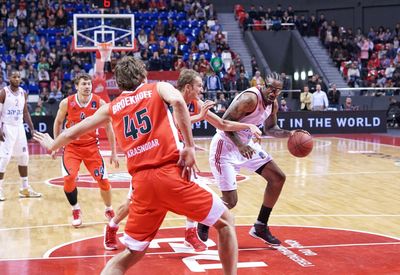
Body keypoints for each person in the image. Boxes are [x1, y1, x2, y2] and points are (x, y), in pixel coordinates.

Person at [34, 56, 238, 275]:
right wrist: (188, 145)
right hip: (169, 174)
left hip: (142, 184)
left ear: (119, 83)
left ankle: (123, 231)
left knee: (130, 254)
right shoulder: (157, 88)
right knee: (225, 222)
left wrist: (52, 144)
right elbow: (178, 102)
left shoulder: (111, 108)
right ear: (142, 74)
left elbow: (74, 130)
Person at [103, 68, 261, 252]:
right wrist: (199, 118)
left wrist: (248, 125)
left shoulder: (196, 102)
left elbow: (222, 124)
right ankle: (112, 225)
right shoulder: (168, 97)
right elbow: (176, 122)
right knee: (131, 203)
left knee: (193, 185)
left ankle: (190, 233)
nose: (202, 89)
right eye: (199, 86)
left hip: (179, 156)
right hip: (155, 157)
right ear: (188, 87)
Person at [198, 72, 299, 246]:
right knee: (230, 201)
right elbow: (224, 124)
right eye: (270, 88)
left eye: (277, 90)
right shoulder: (250, 99)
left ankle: (260, 226)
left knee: (278, 178)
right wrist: (240, 145)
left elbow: (271, 128)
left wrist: (289, 134)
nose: (273, 93)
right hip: (226, 147)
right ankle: (203, 217)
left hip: (247, 145)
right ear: (263, 85)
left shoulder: (272, 104)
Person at [52, 73, 119, 227]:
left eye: (89, 84)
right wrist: (56, 145)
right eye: (83, 84)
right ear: (77, 86)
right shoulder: (66, 103)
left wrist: (114, 152)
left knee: (103, 181)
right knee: (69, 179)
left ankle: (108, 209)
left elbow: (109, 128)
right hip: (72, 147)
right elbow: (58, 122)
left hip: (91, 148)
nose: (87, 87)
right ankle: (75, 209)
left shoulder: (99, 102)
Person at [0, 70, 41, 201]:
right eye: (14, 76)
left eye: (18, 77)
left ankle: (24, 188)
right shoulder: (3, 92)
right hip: (6, 126)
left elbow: (25, 112)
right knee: (4, 158)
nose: (17, 79)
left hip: (19, 128)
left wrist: (32, 128)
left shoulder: (23, 92)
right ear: (9, 78)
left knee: (24, 157)